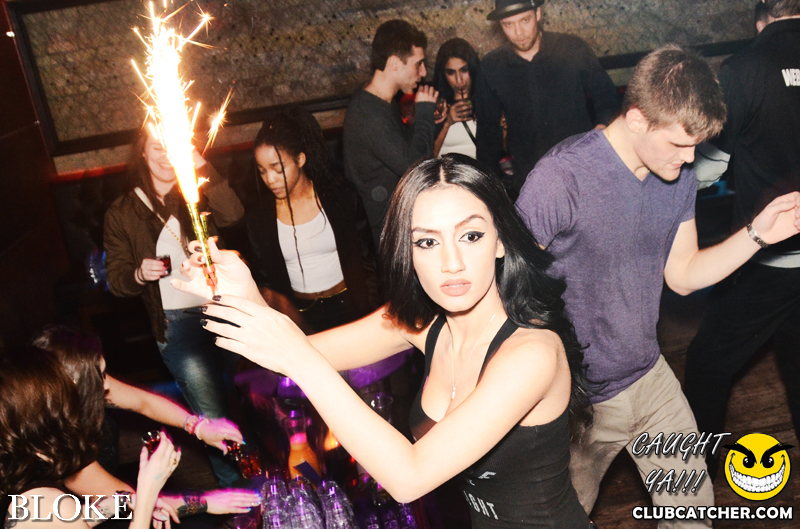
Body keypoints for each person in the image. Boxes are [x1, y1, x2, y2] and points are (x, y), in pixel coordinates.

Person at [175, 155, 595, 527]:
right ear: (407, 252)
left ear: (500, 241)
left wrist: (297, 357)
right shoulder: (422, 324)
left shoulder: (532, 353)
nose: (451, 263)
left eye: (471, 236)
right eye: (427, 242)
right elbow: (299, 353)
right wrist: (241, 295)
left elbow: (409, 477)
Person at [515, 44, 800, 526]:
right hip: (578, 399)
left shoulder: (677, 178)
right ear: (637, 120)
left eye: (697, 146)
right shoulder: (561, 178)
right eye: (680, 145)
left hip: (650, 380)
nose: (691, 160)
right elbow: (508, 290)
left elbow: (684, 275)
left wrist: (758, 234)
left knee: (692, 517)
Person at [683, 0, 800, 479]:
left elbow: (709, 167)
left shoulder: (743, 68)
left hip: (769, 259)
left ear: (760, 19)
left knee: (707, 363)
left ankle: (695, 478)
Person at [103, 127, 245, 486]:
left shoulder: (196, 190)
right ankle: (240, 496)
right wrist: (139, 273)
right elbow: (117, 281)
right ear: (142, 153)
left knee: (243, 402)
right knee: (214, 418)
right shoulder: (122, 212)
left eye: (173, 146)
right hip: (176, 325)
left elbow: (233, 214)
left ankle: (265, 483)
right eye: (157, 147)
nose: (166, 156)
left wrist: (200, 164)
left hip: (225, 311)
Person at [27, 326, 260, 524]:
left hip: (110, 503)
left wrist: (198, 427)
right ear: (73, 387)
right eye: (99, 377)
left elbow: (143, 402)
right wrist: (207, 501)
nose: (106, 385)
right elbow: (135, 501)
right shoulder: (57, 447)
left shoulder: (66, 388)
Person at [1, 348, 179, 529]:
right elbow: (55, 514)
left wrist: (124, 500)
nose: (72, 386)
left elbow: (64, 520)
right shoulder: (44, 502)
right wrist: (147, 494)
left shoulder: (21, 465)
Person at [244, 107, 379, 333]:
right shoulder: (260, 217)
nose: (270, 179)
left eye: (277, 169)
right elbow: (265, 280)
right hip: (298, 314)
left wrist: (371, 311)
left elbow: (367, 261)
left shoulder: (339, 198)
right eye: (262, 171)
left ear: (300, 159)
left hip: (349, 305)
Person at [475, 0, 620, 199]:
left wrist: (601, 128)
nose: (518, 32)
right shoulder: (491, 66)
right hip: (530, 180)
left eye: (524, 20)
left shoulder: (571, 48)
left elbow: (607, 96)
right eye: (508, 24)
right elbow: (487, 134)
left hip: (583, 169)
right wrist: (488, 192)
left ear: (538, 13)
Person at [342, 19, 438, 245]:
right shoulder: (369, 113)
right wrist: (425, 113)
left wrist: (425, 121)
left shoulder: (382, 102)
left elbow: (406, 150)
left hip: (399, 226)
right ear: (394, 63)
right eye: (418, 64)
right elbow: (416, 167)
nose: (423, 72)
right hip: (389, 236)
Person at [432, 38, 480, 158]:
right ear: (443, 74)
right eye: (451, 72)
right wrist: (448, 123)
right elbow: (425, 157)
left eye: (464, 70)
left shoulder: (487, 100)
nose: (459, 80)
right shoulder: (435, 106)